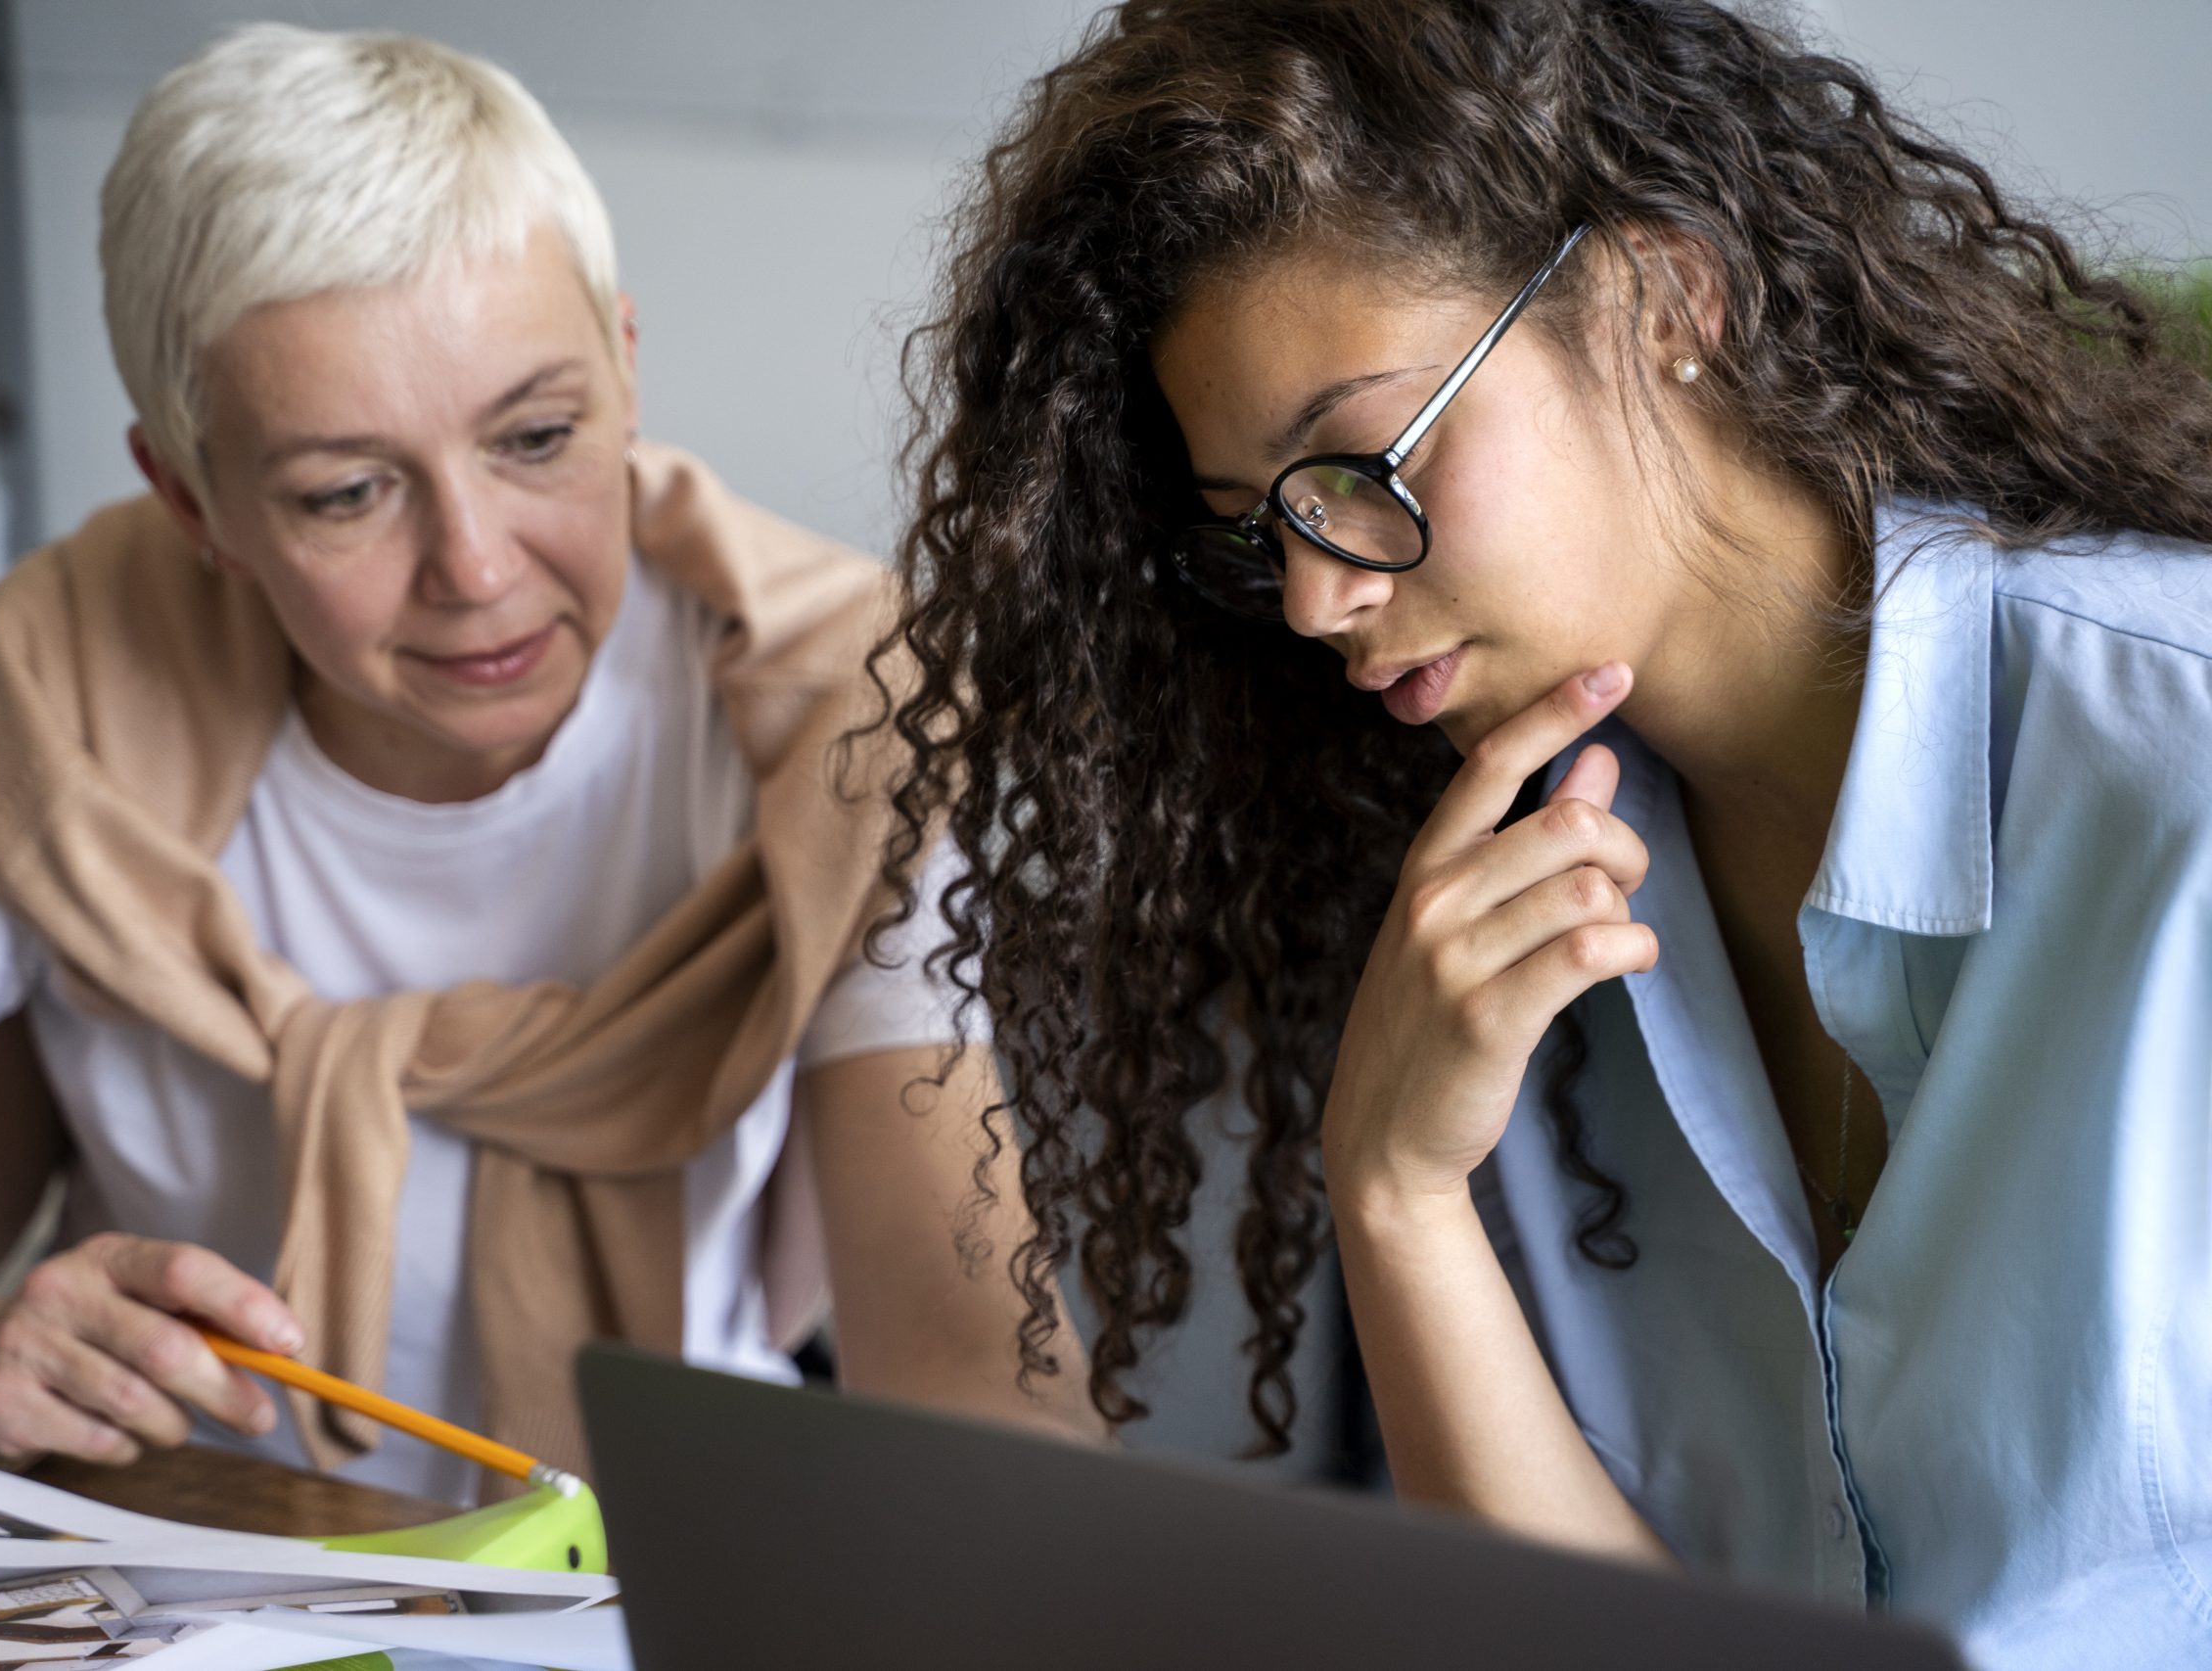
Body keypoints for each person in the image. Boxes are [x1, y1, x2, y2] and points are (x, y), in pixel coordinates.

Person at [866, 0, 2212, 1663]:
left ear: (1664, 297)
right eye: (1254, 531)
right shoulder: (1491, 923)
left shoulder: (2183, 776)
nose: (1313, 595)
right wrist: (1396, 1189)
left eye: (1355, 461)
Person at [0, 23, 1096, 1507]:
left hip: (669, 1542)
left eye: (539, 436)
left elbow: (957, 1341)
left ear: (626, 373)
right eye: (347, 492)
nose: (478, 567)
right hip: (182, 1548)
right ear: (191, 499)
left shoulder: (831, 699)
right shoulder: (57, 695)